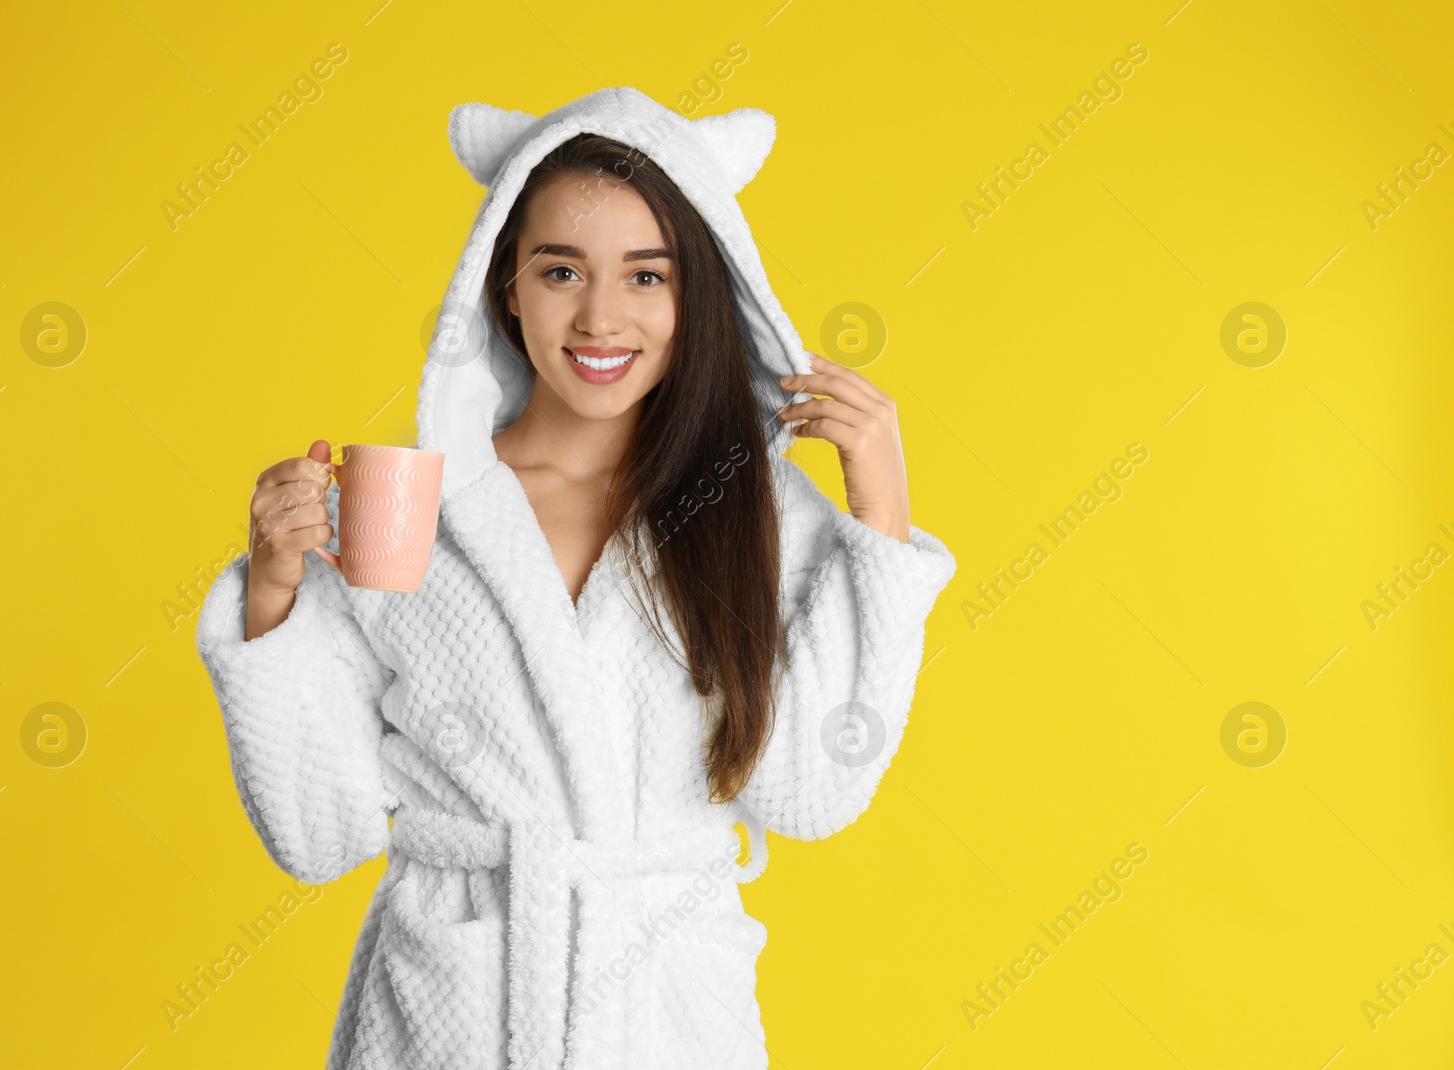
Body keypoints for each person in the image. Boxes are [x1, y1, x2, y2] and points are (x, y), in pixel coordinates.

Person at [194, 86, 956, 1070]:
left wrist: (879, 515)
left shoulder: (749, 508)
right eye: (561, 269)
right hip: (446, 1014)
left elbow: (810, 792)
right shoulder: (402, 506)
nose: (601, 317)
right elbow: (317, 831)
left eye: (648, 275)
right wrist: (272, 593)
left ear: (699, 294)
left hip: (671, 1021)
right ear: (503, 283)